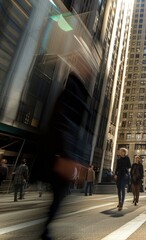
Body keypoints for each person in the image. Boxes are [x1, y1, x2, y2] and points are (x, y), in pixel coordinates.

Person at [38, 74, 89, 240]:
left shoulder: (73, 100)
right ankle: (45, 231)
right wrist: (67, 156)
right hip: (61, 157)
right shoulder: (71, 100)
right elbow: (64, 127)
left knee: (59, 196)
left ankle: (45, 229)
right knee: (58, 195)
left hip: (64, 156)